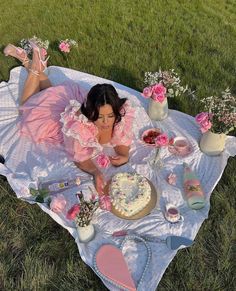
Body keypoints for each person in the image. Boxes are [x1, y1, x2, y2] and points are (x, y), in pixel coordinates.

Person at [4, 42, 135, 195]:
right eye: (100, 117)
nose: (106, 122)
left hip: (63, 100)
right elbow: (79, 156)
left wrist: (124, 154)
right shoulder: (79, 125)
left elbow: (122, 139)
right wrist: (95, 172)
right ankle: (33, 67)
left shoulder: (120, 114)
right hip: (51, 116)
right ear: (91, 111)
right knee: (27, 108)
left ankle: (28, 60)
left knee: (52, 92)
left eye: (110, 116)